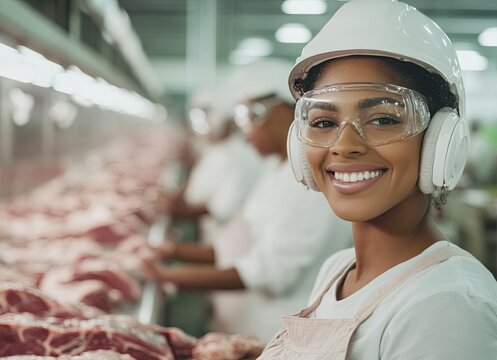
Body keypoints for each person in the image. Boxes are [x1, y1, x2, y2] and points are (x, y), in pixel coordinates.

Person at [257, 0, 497, 359]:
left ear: (441, 141)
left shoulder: (446, 306)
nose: (345, 145)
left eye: (383, 119)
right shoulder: (338, 269)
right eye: (323, 123)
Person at [142, 59, 352, 343]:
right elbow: (237, 248)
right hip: (248, 325)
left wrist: (170, 275)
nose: (247, 129)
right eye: (243, 116)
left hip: (277, 333)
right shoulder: (275, 170)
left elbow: (269, 271)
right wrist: (169, 254)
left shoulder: (309, 186)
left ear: (291, 110)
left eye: (254, 114)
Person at [156, 83, 264, 245]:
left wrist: (172, 209)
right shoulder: (214, 150)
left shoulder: (240, 156)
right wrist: (173, 198)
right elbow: (198, 186)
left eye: (208, 116)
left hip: (227, 243)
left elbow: (220, 210)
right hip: (210, 237)